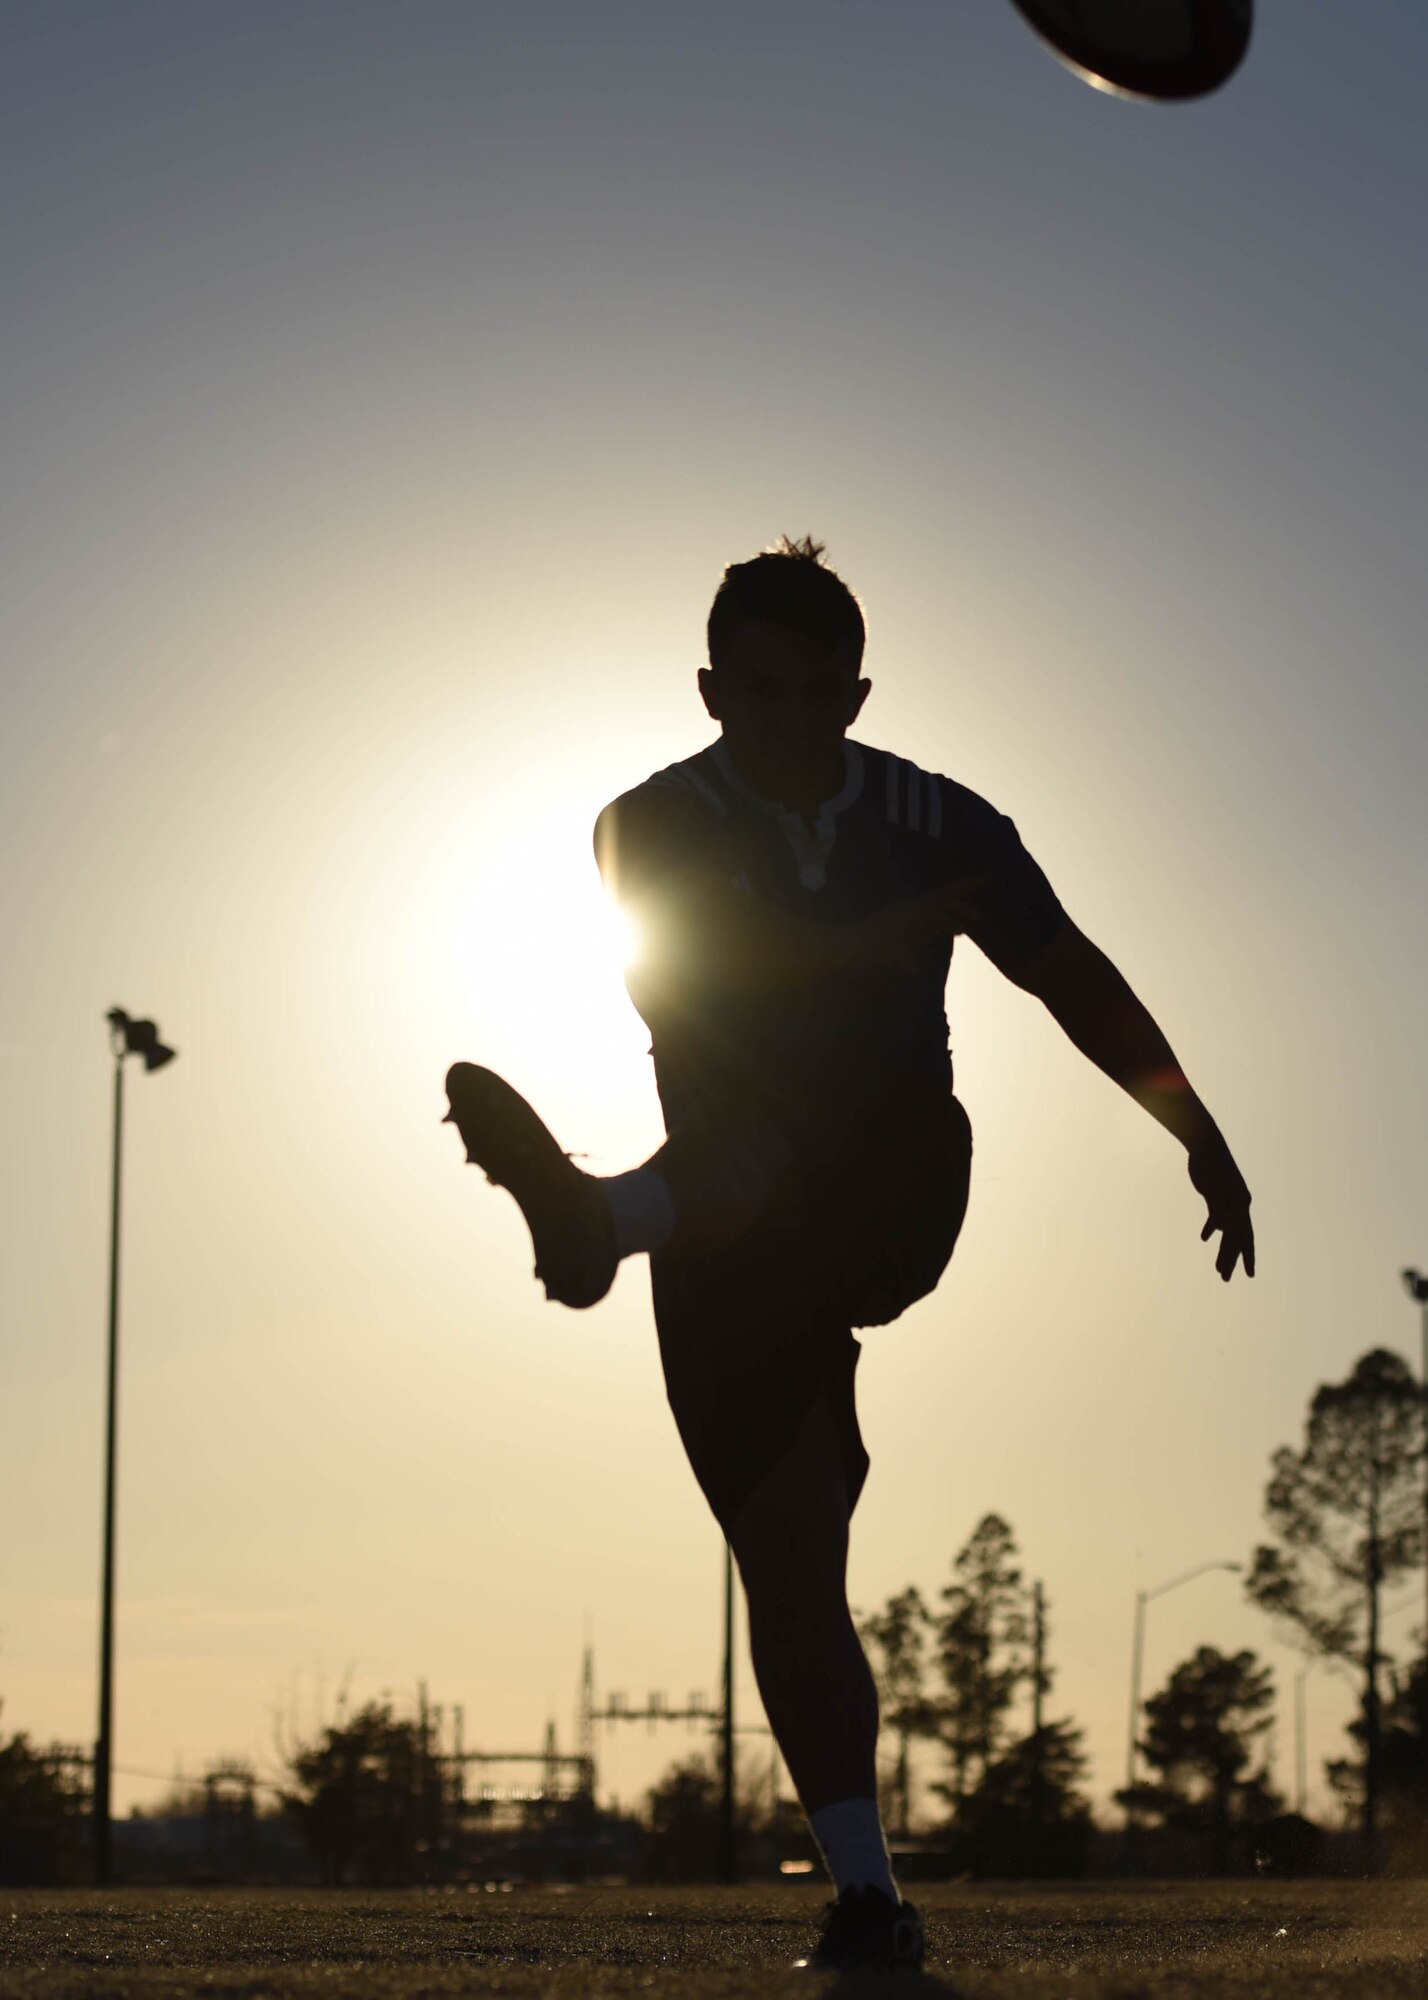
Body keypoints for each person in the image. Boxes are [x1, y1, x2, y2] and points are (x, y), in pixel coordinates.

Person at [443, 535, 1254, 1970]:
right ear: (709, 689)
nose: (789, 722)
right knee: (792, 1562)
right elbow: (712, 967)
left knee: (765, 1143)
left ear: (859, 695)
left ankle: (600, 1223)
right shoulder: (642, 824)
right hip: (729, 1245)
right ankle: (870, 1899)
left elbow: (1066, 968)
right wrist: (868, 940)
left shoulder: (940, 822)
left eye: (819, 694)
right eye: (758, 690)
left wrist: (1192, 1125)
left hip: (891, 1174)